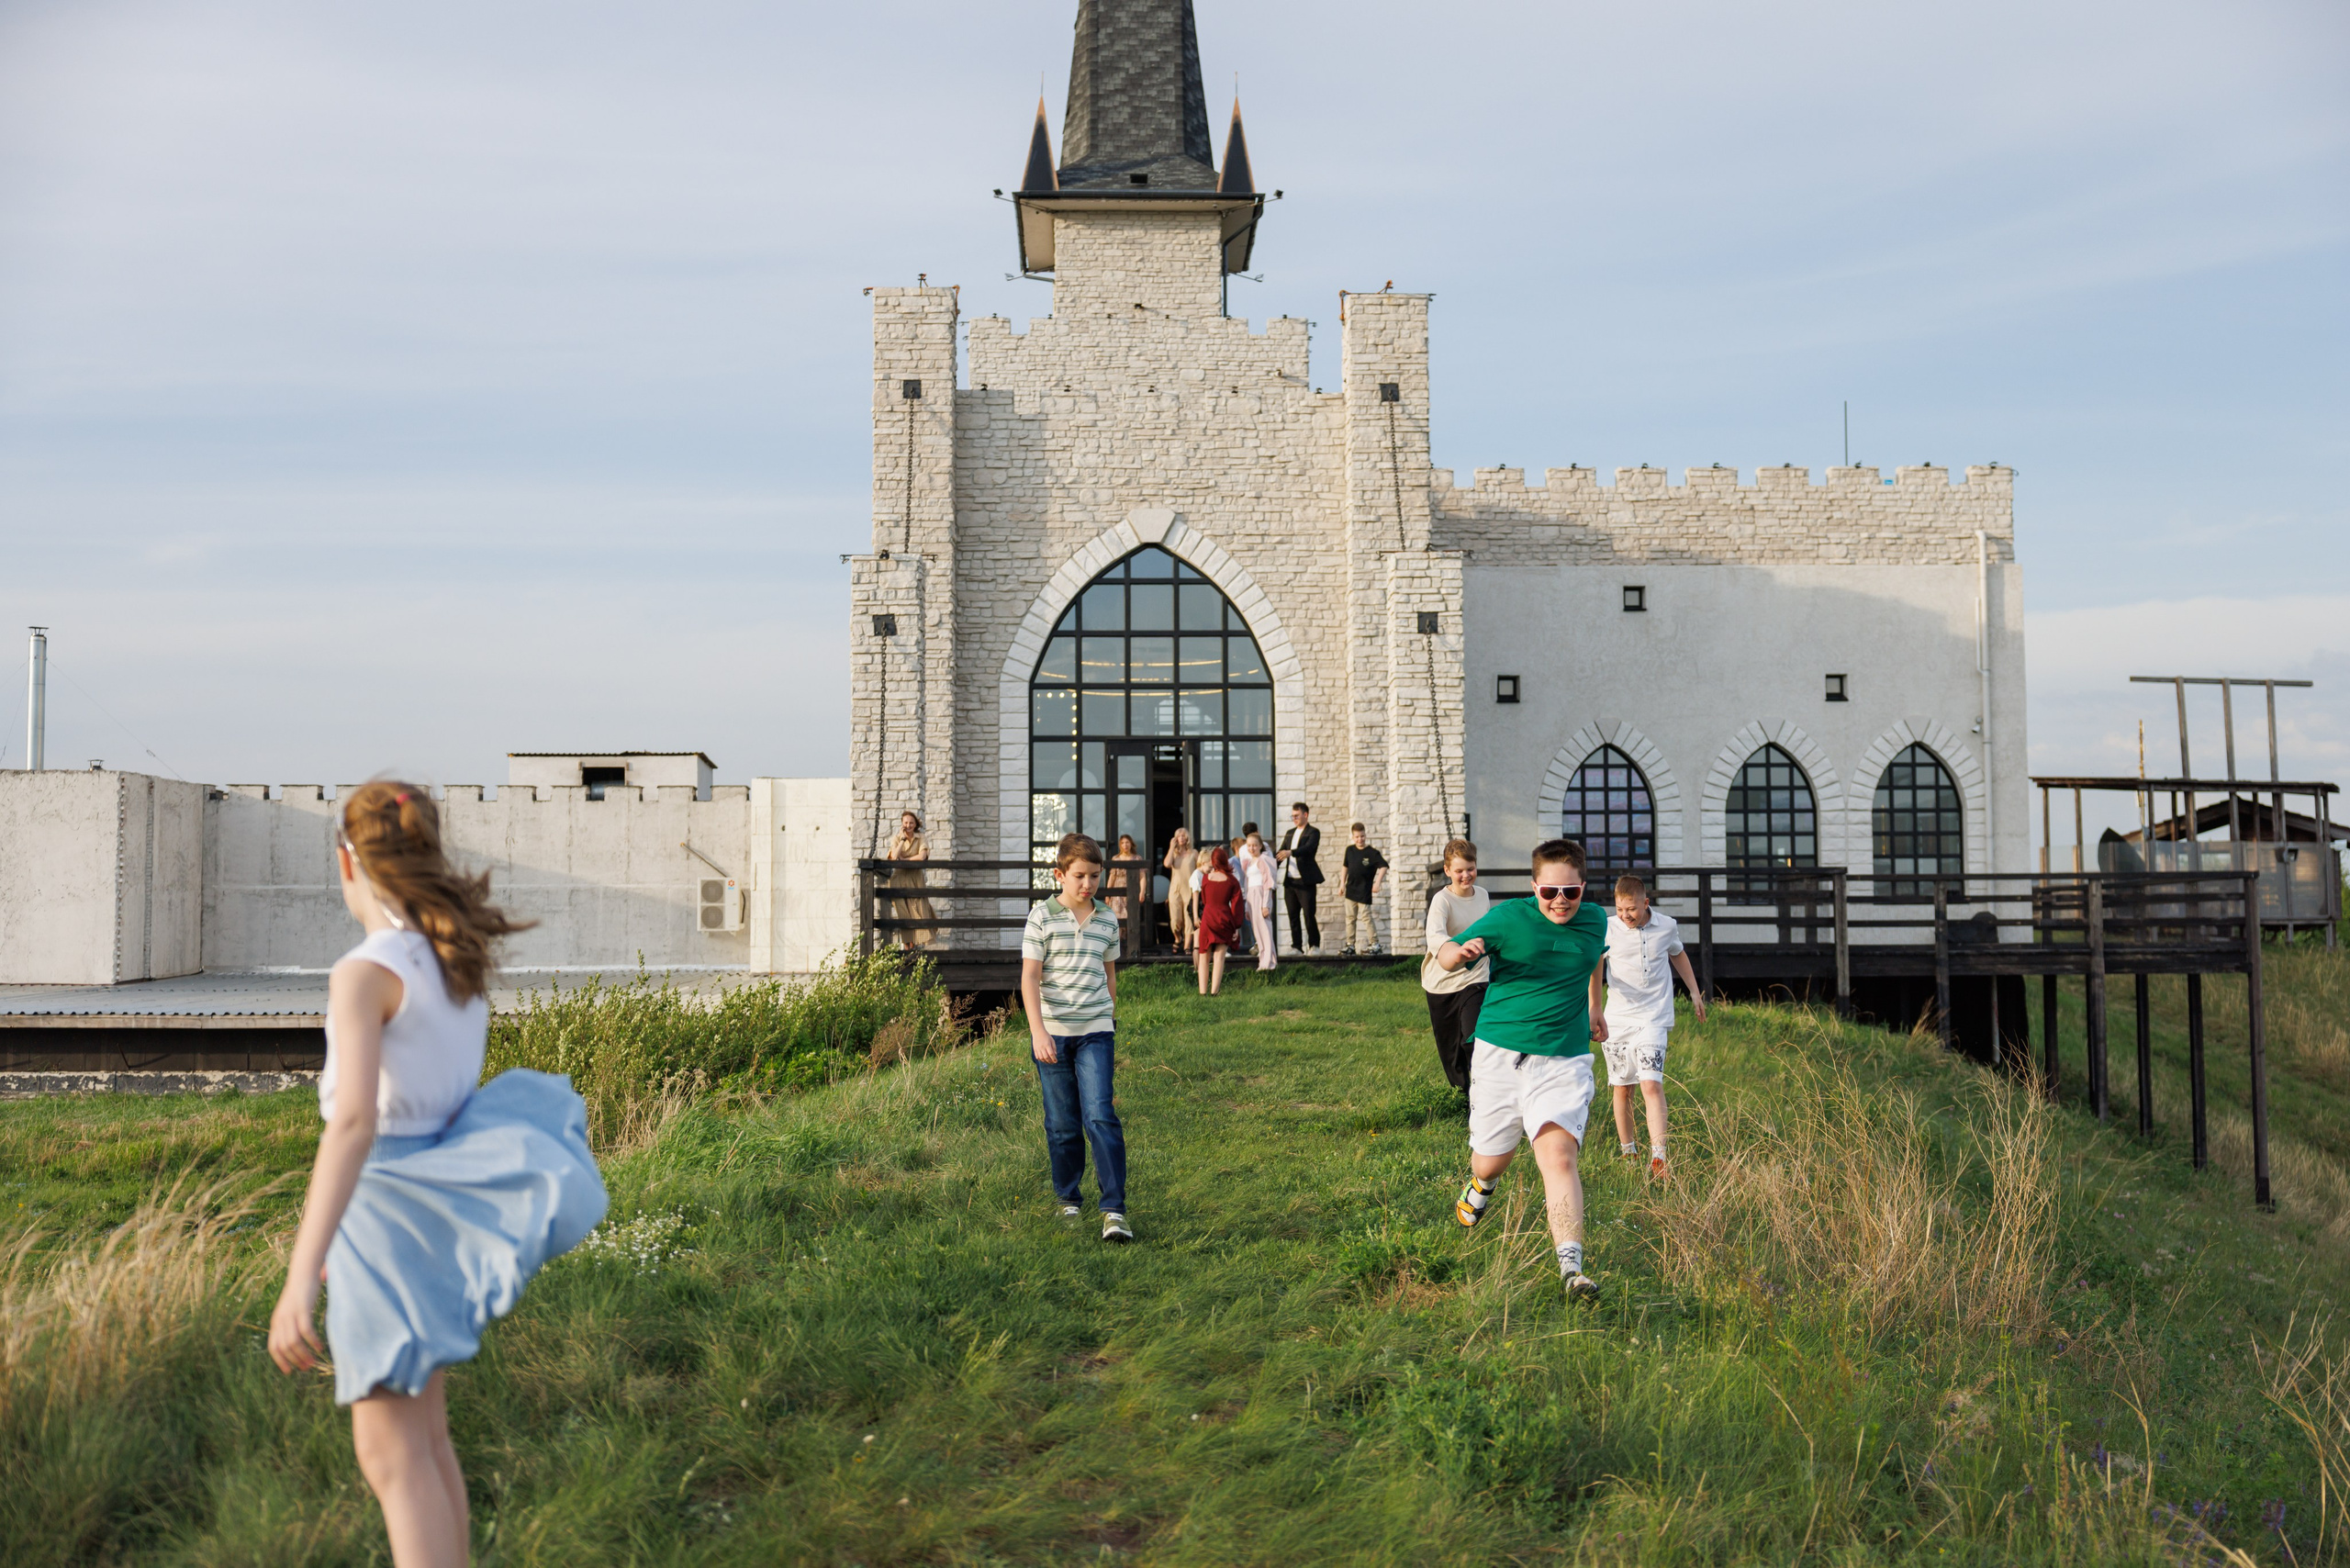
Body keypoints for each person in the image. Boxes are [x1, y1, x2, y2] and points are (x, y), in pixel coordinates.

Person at [269, 780, 607, 1568]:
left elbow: (353, 1124)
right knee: (426, 1443)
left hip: (382, 1217)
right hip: (429, 1212)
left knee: (391, 1458)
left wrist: (296, 1277)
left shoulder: (364, 973)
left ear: (349, 862)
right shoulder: (454, 959)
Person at [1430, 837, 1609, 1305]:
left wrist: (1595, 1007)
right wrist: (1459, 953)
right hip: (1500, 1055)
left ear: (1583, 887)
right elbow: (1446, 955)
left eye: (1570, 893)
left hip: (1563, 1058)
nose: (1560, 902)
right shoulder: (1509, 918)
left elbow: (1593, 958)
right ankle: (1483, 1184)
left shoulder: (1593, 921)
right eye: (1549, 893)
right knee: (1491, 1158)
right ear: (1534, 887)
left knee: (1559, 1156)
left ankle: (1571, 1267)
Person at [1019, 833, 1134, 1244]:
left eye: (1095, 876)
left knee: (1100, 1115)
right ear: (1060, 874)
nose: (1088, 885)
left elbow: (1110, 975)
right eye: (1080, 876)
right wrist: (1038, 1032)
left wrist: (1110, 1017)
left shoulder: (1106, 919)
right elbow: (1029, 977)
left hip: (1096, 1033)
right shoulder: (1041, 917)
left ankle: (1114, 1210)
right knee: (1062, 1123)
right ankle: (1068, 1197)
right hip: (1052, 1035)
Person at [1599, 873, 1706, 1181]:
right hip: (1618, 1020)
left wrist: (1695, 992)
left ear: (1646, 903)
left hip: (1653, 1018)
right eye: (1620, 909)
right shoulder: (1607, 928)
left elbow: (1678, 954)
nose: (1626, 915)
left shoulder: (1667, 926)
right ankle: (1628, 1152)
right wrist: (1593, 1008)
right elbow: (1593, 965)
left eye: (1631, 909)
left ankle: (1659, 1159)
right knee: (1623, 1089)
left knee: (1651, 1084)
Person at [1421, 837, 1490, 1092]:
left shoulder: (1482, 895)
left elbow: (1488, 930)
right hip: (1442, 983)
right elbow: (1435, 937)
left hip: (1476, 978)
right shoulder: (1442, 901)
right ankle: (1460, 1093)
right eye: (1459, 871)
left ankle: (1482, 1091)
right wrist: (1457, 950)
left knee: (1473, 1037)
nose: (1465, 875)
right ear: (1447, 871)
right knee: (1450, 1048)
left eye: (1470, 869)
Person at [1193, 845, 1245, 995]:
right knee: (1219, 957)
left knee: (1204, 956)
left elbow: (1204, 898)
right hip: (1224, 918)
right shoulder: (1232, 881)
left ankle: (1202, 992)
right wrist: (1236, 926)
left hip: (1208, 918)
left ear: (1213, 862)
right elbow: (1237, 906)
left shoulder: (1205, 878)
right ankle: (1214, 992)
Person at [1276, 801, 1324, 955]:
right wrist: (1270, 867)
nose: (1294, 819)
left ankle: (1314, 945)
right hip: (1290, 882)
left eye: (1297, 816)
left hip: (1306, 881)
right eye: (1293, 816)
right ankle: (1297, 946)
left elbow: (1309, 849)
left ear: (1305, 815)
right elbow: (1281, 853)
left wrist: (1292, 852)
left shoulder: (1313, 832)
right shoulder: (1290, 832)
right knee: (1293, 915)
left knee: (1309, 914)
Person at [885, 810, 938, 948]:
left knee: (919, 910)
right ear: (902, 824)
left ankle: (915, 949)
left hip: (915, 877)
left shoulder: (921, 837)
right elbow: (894, 857)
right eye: (906, 823)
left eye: (911, 823)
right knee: (904, 914)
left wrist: (905, 859)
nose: (908, 825)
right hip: (899, 878)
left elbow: (922, 856)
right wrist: (902, 840)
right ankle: (907, 949)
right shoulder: (896, 839)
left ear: (915, 825)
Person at [1340, 822, 1389, 955]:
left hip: (1364, 891)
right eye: (1357, 837)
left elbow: (1384, 866)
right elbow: (1345, 867)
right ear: (1353, 837)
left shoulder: (1372, 853)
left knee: (1366, 918)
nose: (1359, 839)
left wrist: (1377, 883)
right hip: (1350, 890)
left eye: (1362, 836)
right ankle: (1350, 945)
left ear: (1365, 835)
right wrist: (1342, 883)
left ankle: (1375, 944)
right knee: (1350, 918)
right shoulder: (1349, 850)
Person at [1240, 827, 1280, 972]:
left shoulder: (1264, 860)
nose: (1252, 848)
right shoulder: (1248, 863)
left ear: (1260, 846)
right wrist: (1246, 907)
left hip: (1261, 895)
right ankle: (1263, 961)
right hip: (1251, 897)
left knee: (1265, 930)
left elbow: (1268, 883)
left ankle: (1269, 962)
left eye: (1254, 845)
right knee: (1257, 931)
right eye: (1249, 845)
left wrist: (1265, 905)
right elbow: (1246, 883)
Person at [1163, 827, 1198, 951]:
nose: (1182, 838)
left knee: (1189, 918)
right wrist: (1171, 847)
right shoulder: (1173, 853)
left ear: (1187, 838)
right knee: (1176, 918)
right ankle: (1178, 938)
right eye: (1179, 836)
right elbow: (1167, 864)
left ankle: (1187, 946)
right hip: (1175, 888)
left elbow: (1199, 869)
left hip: (1189, 888)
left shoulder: (1193, 853)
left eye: (1184, 836)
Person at [1106, 832, 1138, 932]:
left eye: (1127, 842)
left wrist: (1142, 892)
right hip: (1117, 891)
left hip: (1131, 889)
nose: (1125, 845)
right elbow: (1112, 877)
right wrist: (1108, 895)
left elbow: (1142, 877)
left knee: (1130, 916)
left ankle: (1128, 942)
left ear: (1131, 844)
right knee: (1117, 916)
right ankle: (1118, 941)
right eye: (1123, 843)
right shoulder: (1115, 859)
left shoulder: (1137, 858)